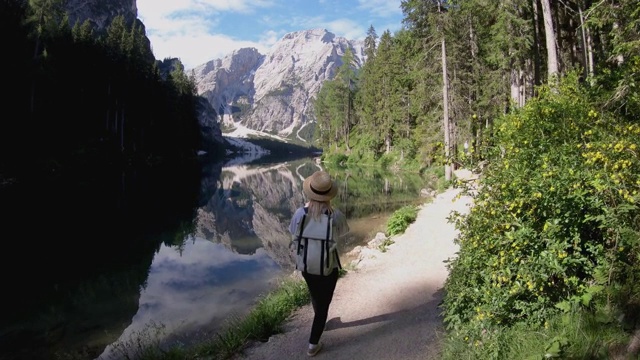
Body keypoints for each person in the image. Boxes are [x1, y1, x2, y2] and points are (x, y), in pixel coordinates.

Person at [289, 170, 349, 357]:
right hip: (328, 266)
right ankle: (313, 344)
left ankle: (320, 320)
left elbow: (293, 233)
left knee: (316, 296)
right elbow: (343, 235)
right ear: (330, 194)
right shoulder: (336, 215)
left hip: (307, 265)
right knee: (324, 304)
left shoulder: (300, 213)